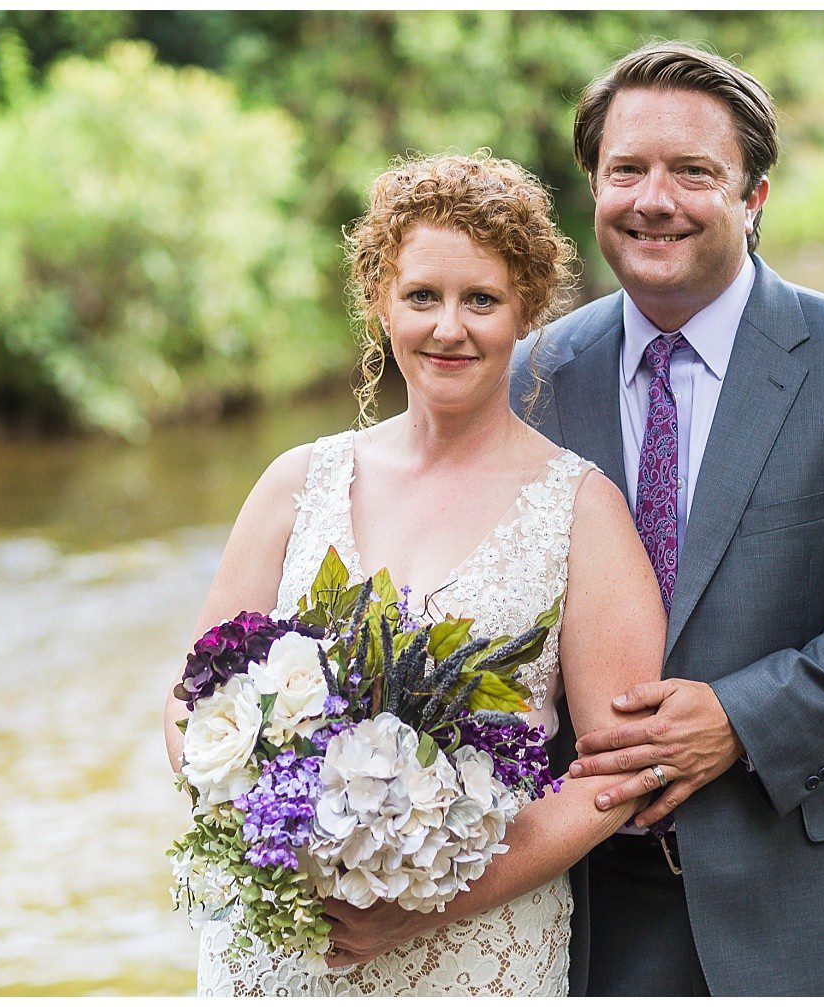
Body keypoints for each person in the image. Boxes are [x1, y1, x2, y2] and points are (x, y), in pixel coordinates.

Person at [509, 43, 824, 995]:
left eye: (694, 172)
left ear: (754, 198)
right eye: (627, 170)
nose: (656, 199)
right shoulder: (531, 378)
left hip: (819, 893)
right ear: (594, 186)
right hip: (592, 911)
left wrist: (741, 715)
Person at [163, 153, 668, 995]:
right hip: (286, 939)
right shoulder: (298, 485)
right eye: (423, 296)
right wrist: (283, 826)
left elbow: (616, 774)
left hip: (473, 951)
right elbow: (192, 705)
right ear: (381, 305)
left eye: (482, 300)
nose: (449, 328)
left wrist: (427, 902)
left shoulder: (582, 512)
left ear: (526, 311)